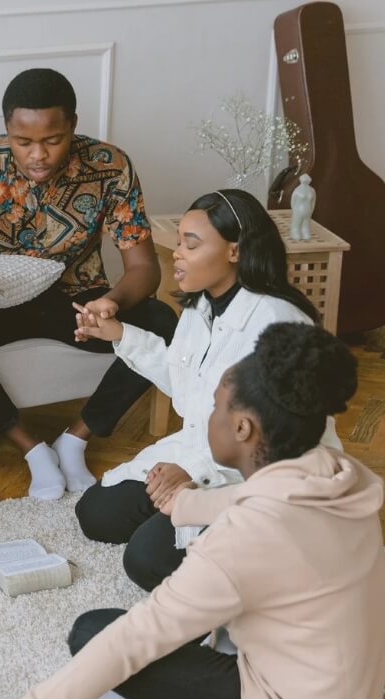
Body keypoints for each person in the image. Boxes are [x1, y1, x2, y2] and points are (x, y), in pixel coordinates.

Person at [0, 323, 385, 699]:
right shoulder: (338, 474)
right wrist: (185, 503)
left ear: (243, 428)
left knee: (94, 633)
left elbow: (139, 637)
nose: (207, 419)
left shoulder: (239, 541)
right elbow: (260, 498)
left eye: (214, 409)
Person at [73, 189, 336, 591]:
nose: (177, 253)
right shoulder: (201, 309)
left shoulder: (280, 324)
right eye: (179, 242)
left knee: (145, 560)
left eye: (190, 245)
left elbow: (276, 441)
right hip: (202, 448)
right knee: (96, 513)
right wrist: (117, 332)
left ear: (235, 251)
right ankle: (175, 513)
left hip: (266, 475)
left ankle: (256, 551)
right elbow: (182, 381)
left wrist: (192, 474)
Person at [0, 68, 178, 500]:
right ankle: (32, 451)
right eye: (23, 142)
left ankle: (75, 440)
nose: (38, 155)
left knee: (159, 320)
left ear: (73, 127)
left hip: (77, 304)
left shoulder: (110, 167)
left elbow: (144, 268)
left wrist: (110, 302)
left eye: (52, 140)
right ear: (7, 128)